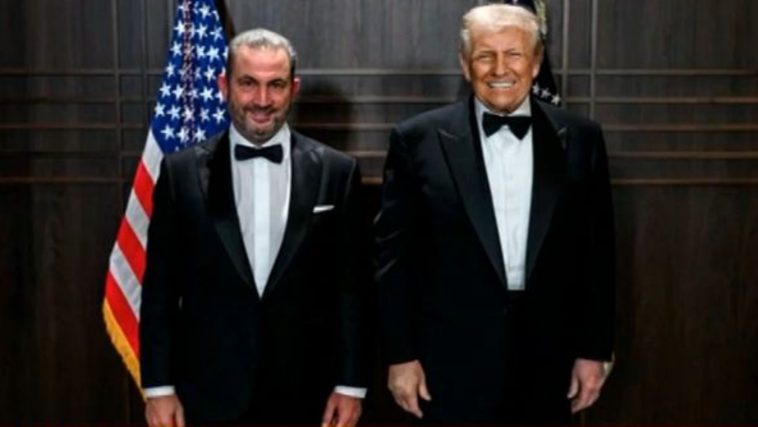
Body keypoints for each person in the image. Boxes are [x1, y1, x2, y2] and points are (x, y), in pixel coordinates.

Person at [375, 4, 615, 424]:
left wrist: (594, 350)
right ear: (465, 64)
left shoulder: (582, 138)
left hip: (550, 362)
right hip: (446, 364)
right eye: (485, 55)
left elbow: (598, 255)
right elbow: (394, 261)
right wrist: (400, 355)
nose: (500, 69)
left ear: (536, 63)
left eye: (514, 54)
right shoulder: (416, 140)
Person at [140, 28, 367, 426]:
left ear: (293, 89)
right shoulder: (180, 174)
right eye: (248, 83)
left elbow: (352, 288)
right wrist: (159, 388)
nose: (262, 100)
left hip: (308, 395)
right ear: (224, 85)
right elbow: (160, 288)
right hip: (206, 393)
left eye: (275, 85)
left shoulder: (338, 172)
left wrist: (351, 385)